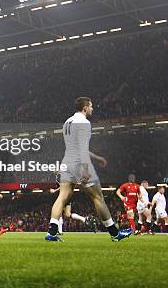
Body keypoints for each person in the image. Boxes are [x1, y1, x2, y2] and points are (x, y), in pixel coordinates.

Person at [45, 97, 132, 242]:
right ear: (85, 108)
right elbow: (82, 149)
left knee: (62, 197)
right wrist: (85, 169)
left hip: (67, 162)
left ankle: (51, 234)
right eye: (91, 106)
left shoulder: (67, 122)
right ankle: (114, 233)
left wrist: (97, 158)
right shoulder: (84, 123)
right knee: (98, 197)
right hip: (80, 163)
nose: (92, 109)